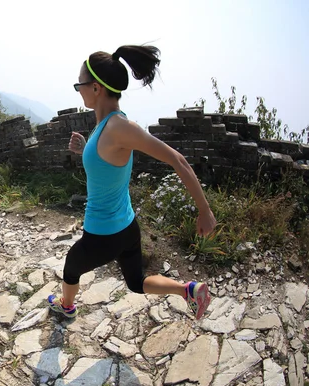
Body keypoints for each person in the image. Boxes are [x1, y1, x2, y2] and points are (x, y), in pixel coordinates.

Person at [47, 45, 217, 320]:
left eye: (80, 84)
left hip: (103, 234)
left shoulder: (119, 128)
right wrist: (84, 149)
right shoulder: (109, 125)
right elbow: (106, 161)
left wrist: (205, 211)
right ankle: (189, 290)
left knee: (71, 267)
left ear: (96, 88)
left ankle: (66, 306)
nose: (78, 90)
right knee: (136, 282)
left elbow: (178, 160)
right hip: (126, 227)